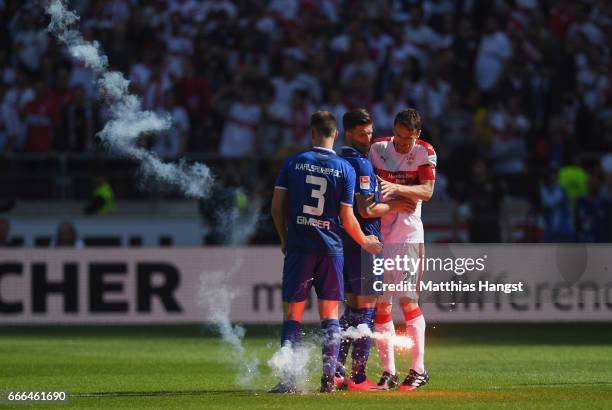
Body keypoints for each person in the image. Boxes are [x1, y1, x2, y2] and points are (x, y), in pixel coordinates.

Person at [269, 111, 383, 393]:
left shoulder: (294, 162)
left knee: (292, 316)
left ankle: (288, 381)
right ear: (335, 136)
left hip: (300, 248)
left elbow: (275, 207)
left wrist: (284, 238)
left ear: (312, 134)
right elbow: (348, 217)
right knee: (331, 316)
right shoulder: (345, 168)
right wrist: (365, 241)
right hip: (332, 250)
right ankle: (328, 379)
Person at [335, 109, 415, 391]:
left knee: (351, 310)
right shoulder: (361, 164)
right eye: (362, 134)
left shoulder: (337, 160)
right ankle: (357, 377)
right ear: (349, 133)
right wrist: (395, 204)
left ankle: (335, 370)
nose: (367, 139)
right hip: (367, 243)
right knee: (366, 311)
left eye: (370, 133)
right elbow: (367, 210)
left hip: (342, 243)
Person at [368, 108, 436, 391]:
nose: (402, 142)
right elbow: (370, 186)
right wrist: (395, 193)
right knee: (381, 303)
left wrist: (393, 186)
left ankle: (418, 370)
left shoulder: (425, 151)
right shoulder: (378, 148)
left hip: (408, 233)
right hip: (381, 232)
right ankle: (388, 373)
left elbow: (428, 191)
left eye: (408, 138)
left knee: (408, 300)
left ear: (417, 135)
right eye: (398, 135)